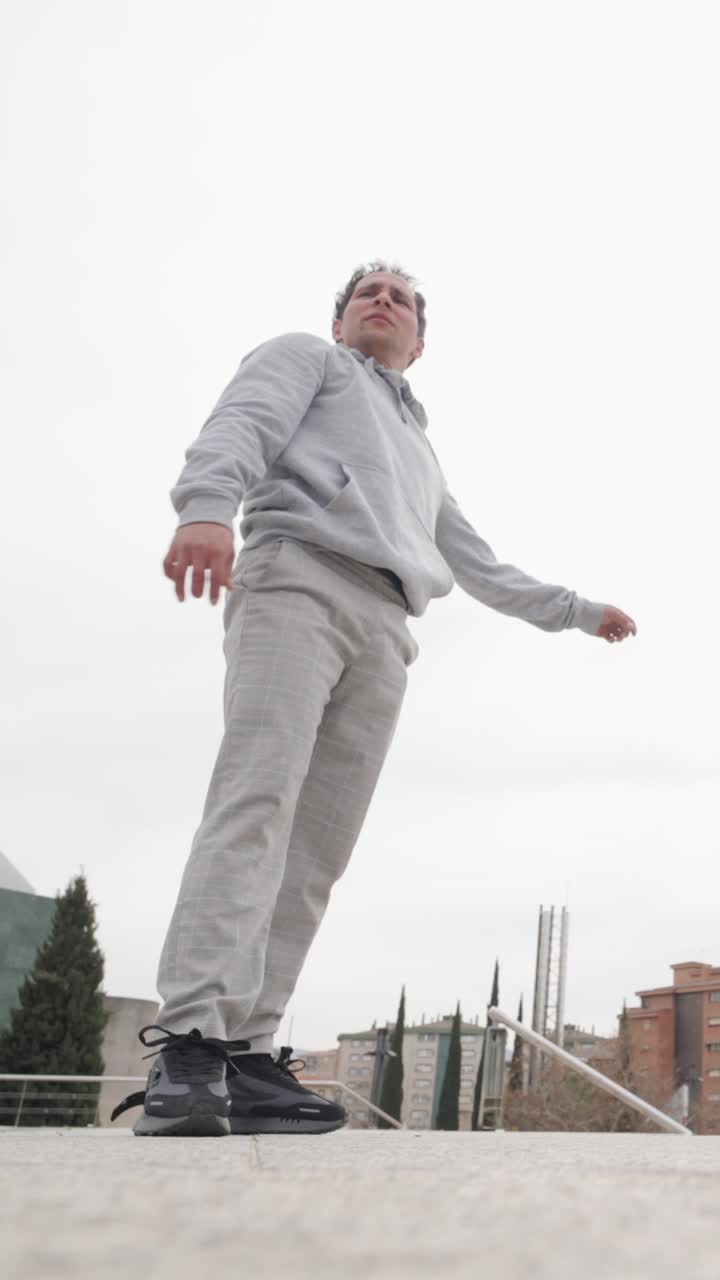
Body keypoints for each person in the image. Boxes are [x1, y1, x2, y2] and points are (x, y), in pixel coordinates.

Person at [113, 260, 637, 1137]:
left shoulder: (420, 454)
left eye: (400, 299)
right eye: (368, 293)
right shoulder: (307, 360)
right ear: (340, 323)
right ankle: (192, 1042)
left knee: (317, 850)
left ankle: (247, 1051)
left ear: (420, 345)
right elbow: (242, 421)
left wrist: (576, 611)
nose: (383, 301)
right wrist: (206, 506)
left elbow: (476, 562)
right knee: (255, 803)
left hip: (387, 627)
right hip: (299, 581)